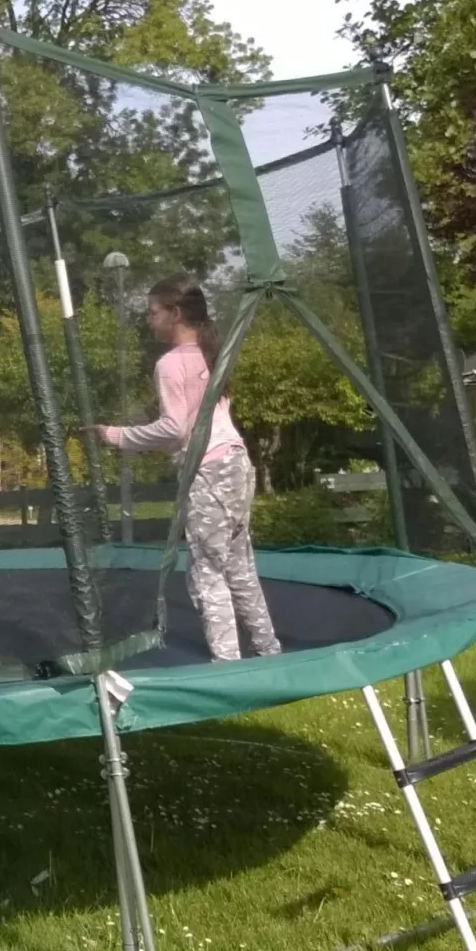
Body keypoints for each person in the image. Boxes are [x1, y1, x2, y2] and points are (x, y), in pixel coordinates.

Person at [90, 273, 280, 662]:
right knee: (239, 564)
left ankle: (227, 663)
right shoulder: (211, 354)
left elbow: (174, 427)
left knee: (207, 570)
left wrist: (114, 435)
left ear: (174, 313)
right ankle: (268, 649)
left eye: (153, 312)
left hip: (208, 469)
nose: (148, 319)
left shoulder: (171, 364)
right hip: (237, 462)